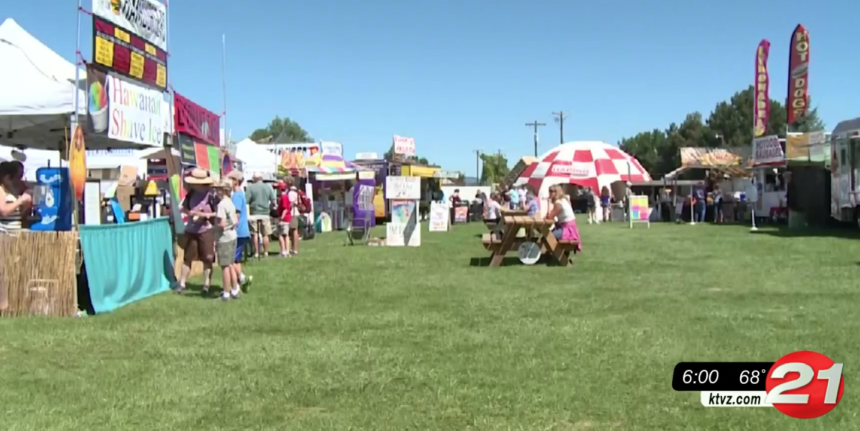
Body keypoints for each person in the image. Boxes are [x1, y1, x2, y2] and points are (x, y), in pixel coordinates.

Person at [177, 168, 217, 295]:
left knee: (207, 259)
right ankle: (182, 284)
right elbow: (182, 208)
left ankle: (206, 285)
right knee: (187, 258)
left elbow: (218, 213)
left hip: (206, 230)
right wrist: (190, 213)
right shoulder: (191, 194)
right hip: (191, 230)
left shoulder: (212, 195)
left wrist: (203, 215)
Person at [214, 179, 240, 301]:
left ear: (222, 190)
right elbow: (235, 220)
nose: (215, 191)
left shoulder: (221, 205)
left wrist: (212, 228)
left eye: (217, 189)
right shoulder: (230, 202)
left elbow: (222, 223)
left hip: (224, 237)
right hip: (233, 235)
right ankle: (234, 289)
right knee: (230, 264)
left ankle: (226, 293)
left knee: (225, 266)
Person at [227, 170, 252, 292]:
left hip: (238, 232)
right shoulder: (240, 193)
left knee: (230, 260)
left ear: (236, 181)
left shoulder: (236, 196)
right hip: (243, 231)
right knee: (236, 259)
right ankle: (238, 282)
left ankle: (241, 279)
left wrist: (229, 228)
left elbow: (235, 215)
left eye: (230, 179)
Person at [245, 173, 275, 258]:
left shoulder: (250, 187)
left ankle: (256, 252)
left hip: (254, 213)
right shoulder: (268, 187)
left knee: (255, 234)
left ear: (254, 179)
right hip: (265, 213)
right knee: (265, 234)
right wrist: (269, 208)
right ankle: (266, 252)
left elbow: (246, 201)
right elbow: (273, 200)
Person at [544, 184, 582, 251]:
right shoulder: (563, 200)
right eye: (549, 191)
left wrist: (548, 203)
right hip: (567, 227)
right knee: (546, 235)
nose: (549, 193)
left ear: (556, 192)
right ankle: (553, 254)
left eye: (552, 191)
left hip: (567, 230)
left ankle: (556, 254)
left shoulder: (558, 203)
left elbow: (549, 217)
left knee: (548, 237)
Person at [0, 162, 31, 234]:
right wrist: (20, 201)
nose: (19, 180)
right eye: (17, 177)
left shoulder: (16, 190)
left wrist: (26, 205)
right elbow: (4, 211)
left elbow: (22, 215)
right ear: (7, 178)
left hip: (15, 232)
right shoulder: (1, 190)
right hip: (3, 234)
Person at [286, 177, 301, 256]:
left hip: (292, 213)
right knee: (293, 231)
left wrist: (286, 210)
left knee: (293, 231)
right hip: (294, 212)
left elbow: (291, 203)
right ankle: (293, 248)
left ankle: (294, 249)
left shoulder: (291, 192)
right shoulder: (295, 191)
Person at [277, 182, 292, 257]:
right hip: (287, 218)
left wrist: (281, 218)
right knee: (286, 235)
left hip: (284, 218)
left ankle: (284, 251)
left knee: (281, 235)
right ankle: (287, 251)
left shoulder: (284, 197)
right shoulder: (285, 196)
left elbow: (285, 209)